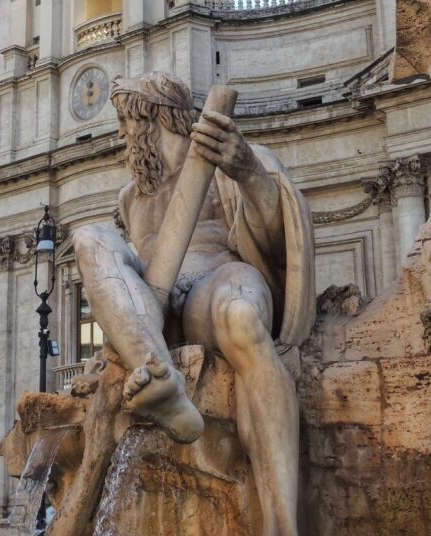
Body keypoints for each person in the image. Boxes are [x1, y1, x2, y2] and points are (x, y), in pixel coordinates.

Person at [73, 72, 315, 536]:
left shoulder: (227, 157)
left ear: (151, 117)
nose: (122, 135)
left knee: (240, 318)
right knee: (88, 238)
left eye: (125, 121)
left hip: (219, 279)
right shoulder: (131, 198)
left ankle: (283, 523)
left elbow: (281, 242)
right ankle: (158, 378)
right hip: (155, 312)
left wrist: (247, 172)